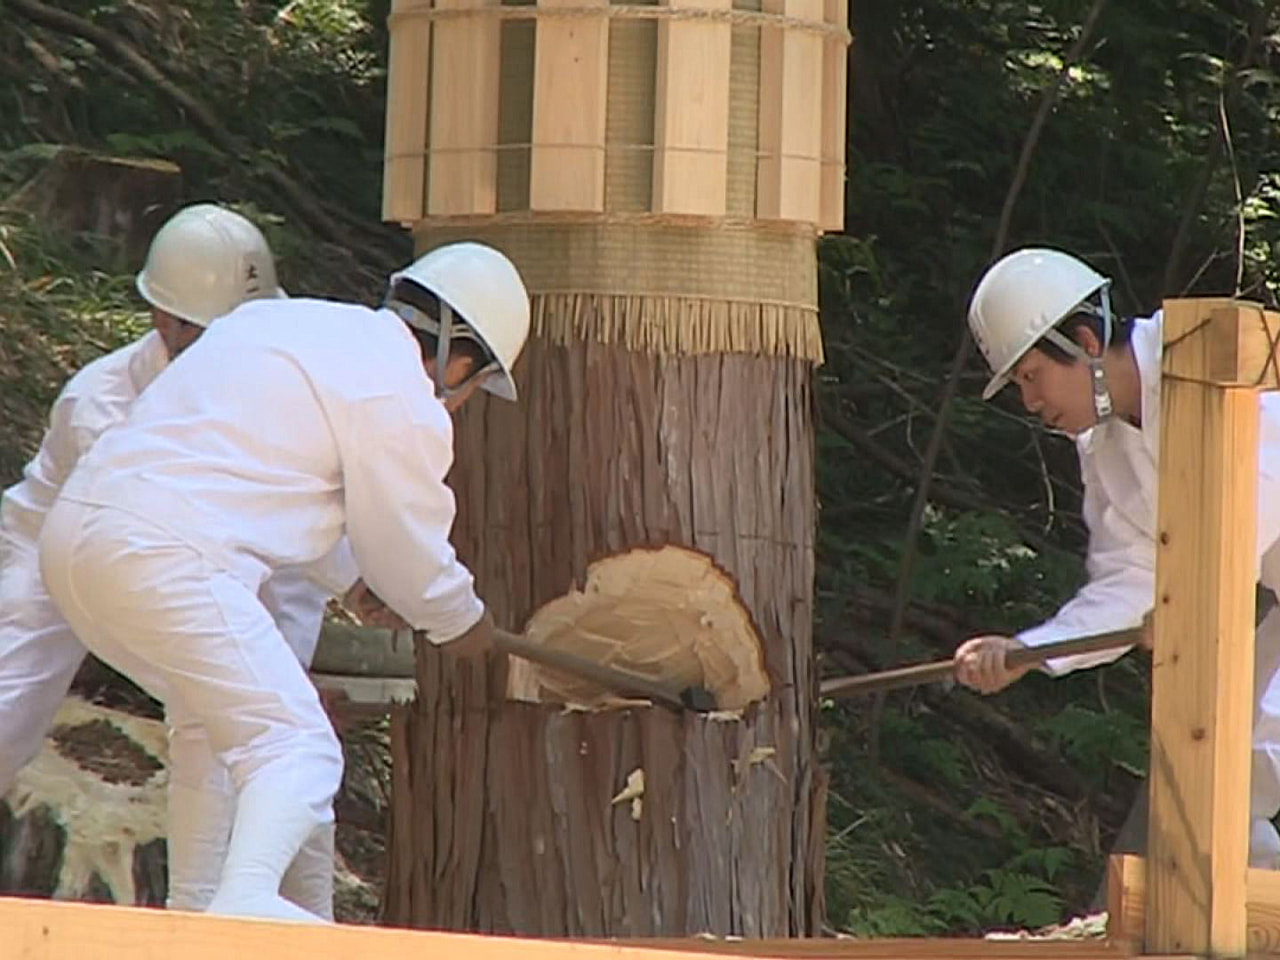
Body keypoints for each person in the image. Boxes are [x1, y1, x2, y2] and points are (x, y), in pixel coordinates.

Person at [38, 240, 531, 922]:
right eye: (474, 383)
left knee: (212, 721)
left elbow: (269, 479)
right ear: (460, 352)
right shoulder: (400, 394)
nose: (462, 398)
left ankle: (195, 907)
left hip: (78, 542)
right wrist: (460, 621)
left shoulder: (284, 325)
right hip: (166, 555)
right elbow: (409, 556)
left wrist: (355, 581)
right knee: (295, 744)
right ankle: (244, 903)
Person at [0, 203, 357, 915]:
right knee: (9, 694)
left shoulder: (273, 388)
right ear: (168, 323)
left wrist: (360, 576)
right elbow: (153, 540)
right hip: (62, 545)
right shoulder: (104, 401)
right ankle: (198, 916)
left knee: (276, 731)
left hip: (241, 557)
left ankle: (305, 925)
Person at [953, 246, 1280, 867]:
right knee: (1229, 775)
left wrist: (1187, 603)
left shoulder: (1210, 358)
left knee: (1249, 755)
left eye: (1030, 376)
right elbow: (1131, 581)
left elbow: (1248, 507)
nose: (1029, 403)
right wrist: (1029, 652)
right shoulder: (1103, 448)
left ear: (1082, 341)